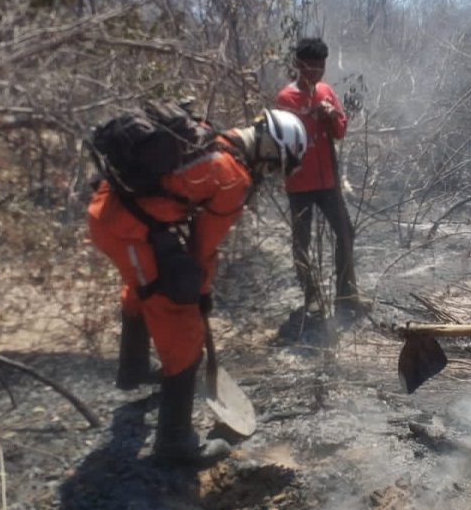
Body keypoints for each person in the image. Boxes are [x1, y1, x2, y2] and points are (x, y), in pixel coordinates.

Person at [87, 108, 307, 467]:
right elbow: (204, 248)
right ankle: (174, 443)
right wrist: (199, 296)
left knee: (142, 293)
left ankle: (134, 373)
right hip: (123, 228)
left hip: (110, 210)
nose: (272, 174)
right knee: (182, 329)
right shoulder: (231, 176)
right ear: (269, 149)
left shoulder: (216, 138)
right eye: (276, 165)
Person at [275, 37, 363, 319]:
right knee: (302, 241)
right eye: (310, 67)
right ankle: (311, 296)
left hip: (328, 183)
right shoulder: (285, 98)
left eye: (320, 67)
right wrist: (309, 120)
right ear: (297, 65)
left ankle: (347, 294)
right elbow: (283, 142)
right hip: (299, 184)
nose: (315, 73)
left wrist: (330, 116)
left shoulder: (326, 91)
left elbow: (339, 132)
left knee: (347, 233)